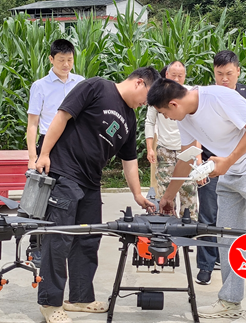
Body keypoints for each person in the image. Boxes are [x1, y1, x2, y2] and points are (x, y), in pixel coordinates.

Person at [148, 79, 246, 323]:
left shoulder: (218, 97)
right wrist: (168, 196)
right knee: (227, 236)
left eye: (164, 113)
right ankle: (230, 301)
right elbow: (187, 157)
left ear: (173, 104)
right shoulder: (185, 118)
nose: (166, 118)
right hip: (230, 172)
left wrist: (229, 161)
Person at [34, 67, 159, 323]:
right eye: (147, 98)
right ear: (139, 83)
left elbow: (129, 160)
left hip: (91, 182)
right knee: (58, 239)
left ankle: (80, 298)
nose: (145, 104)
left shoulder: (130, 118)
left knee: (88, 240)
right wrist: (44, 154)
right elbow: (62, 116)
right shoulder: (97, 87)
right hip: (65, 172)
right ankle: (50, 303)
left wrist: (137, 194)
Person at [196, 50, 246, 286]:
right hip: (212, 165)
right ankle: (206, 266)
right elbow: (196, 129)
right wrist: (199, 163)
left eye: (229, 73)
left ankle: (232, 263)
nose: (224, 79)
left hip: (238, 166)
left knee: (236, 219)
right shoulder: (207, 96)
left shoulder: (245, 94)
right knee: (208, 216)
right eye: (219, 74)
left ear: (238, 71)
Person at [25, 38, 84, 266]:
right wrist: (33, 157)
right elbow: (32, 123)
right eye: (61, 60)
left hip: (74, 146)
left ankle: (65, 244)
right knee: (42, 197)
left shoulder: (80, 83)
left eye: (70, 60)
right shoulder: (40, 86)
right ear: (51, 59)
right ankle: (36, 246)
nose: (66, 65)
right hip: (48, 146)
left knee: (70, 196)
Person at [145, 61, 197, 219]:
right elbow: (150, 122)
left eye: (180, 76)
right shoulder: (158, 95)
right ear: (167, 75)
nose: (176, 79)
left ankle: (189, 227)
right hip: (165, 150)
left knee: (189, 194)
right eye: (173, 75)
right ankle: (167, 228)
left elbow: (198, 128)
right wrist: (150, 148)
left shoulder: (190, 95)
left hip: (186, 151)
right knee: (166, 198)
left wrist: (198, 157)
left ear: (185, 76)